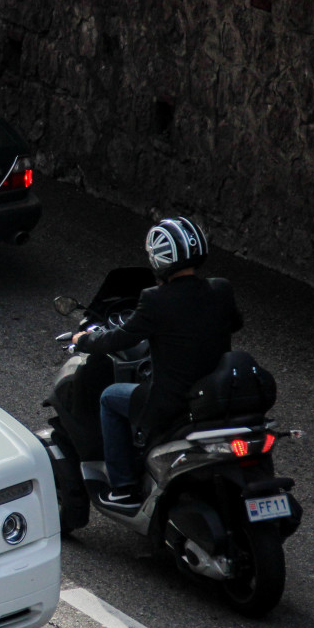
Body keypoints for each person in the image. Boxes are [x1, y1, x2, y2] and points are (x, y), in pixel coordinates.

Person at [71, 217, 243, 513]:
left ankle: (123, 488)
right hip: (214, 396)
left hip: (173, 401)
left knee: (110, 398)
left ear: (158, 259)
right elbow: (235, 322)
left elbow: (119, 339)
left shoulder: (155, 300)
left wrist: (83, 339)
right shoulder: (221, 289)